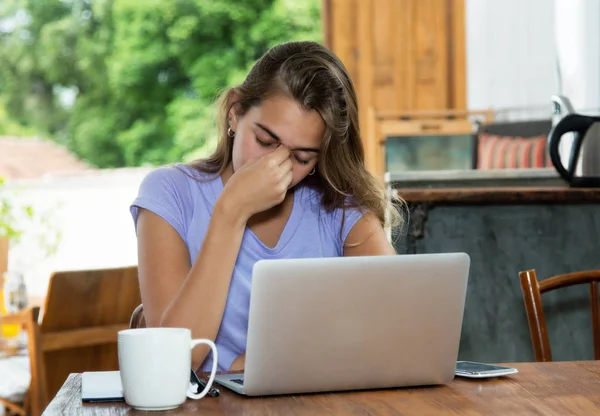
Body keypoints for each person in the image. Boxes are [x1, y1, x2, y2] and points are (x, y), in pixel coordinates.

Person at [130, 41, 403, 373]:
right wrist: (231, 212)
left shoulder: (340, 212)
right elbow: (168, 364)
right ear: (235, 111)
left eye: (301, 157)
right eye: (264, 141)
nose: (277, 165)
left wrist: (252, 366)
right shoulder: (170, 193)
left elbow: (399, 337)